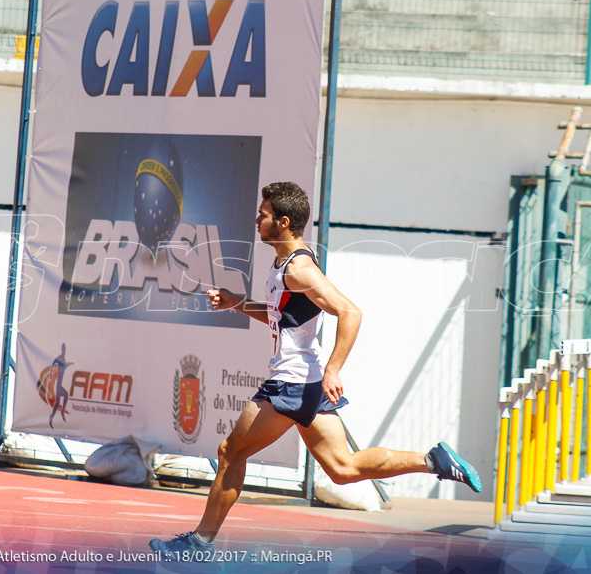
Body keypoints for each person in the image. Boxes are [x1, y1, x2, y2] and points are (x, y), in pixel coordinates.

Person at [149, 182, 482, 557]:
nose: (256, 219)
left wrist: (334, 371)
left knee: (231, 452)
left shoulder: (300, 269)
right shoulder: (285, 265)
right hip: (303, 382)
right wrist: (237, 303)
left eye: (263, 214)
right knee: (343, 467)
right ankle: (433, 460)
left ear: (284, 221)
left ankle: (199, 543)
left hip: (291, 383)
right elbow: (283, 315)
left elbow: (350, 312)